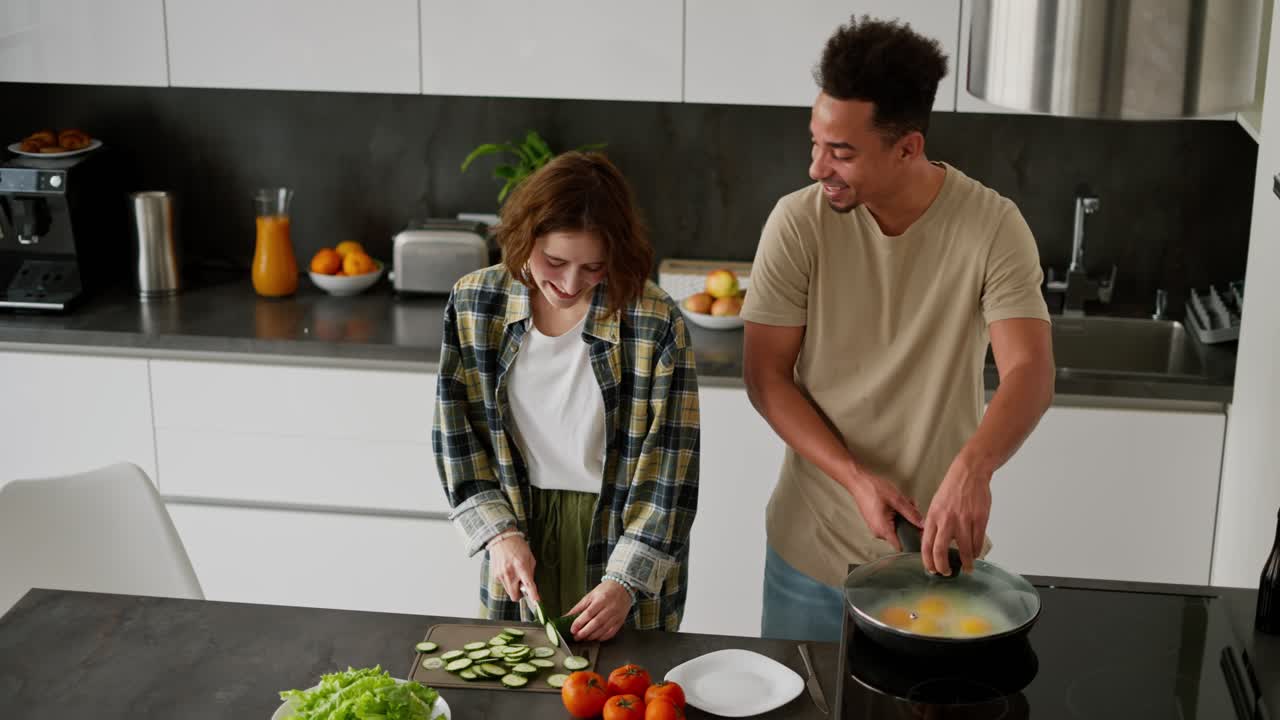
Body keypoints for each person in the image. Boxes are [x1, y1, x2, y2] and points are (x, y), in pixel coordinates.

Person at [740, 16, 1055, 643]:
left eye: (842, 152)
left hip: (938, 564)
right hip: (810, 556)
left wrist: (974, 469)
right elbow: (766, 377)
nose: (816, 167)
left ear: (907, 147)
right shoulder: (797, 225)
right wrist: (857, 479)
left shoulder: (992, 226)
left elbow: (1029, 369)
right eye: (816, 142)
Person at [434, 151, 700, 642]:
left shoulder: (654, 320)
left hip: (622, 532)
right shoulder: (475, 304)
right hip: (520, 525)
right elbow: (458, 438)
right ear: (524, 235)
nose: (570, 284)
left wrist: (624, 581)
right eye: (554, 261)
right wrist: (499, 534)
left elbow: (670, 472)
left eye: (593, 267)